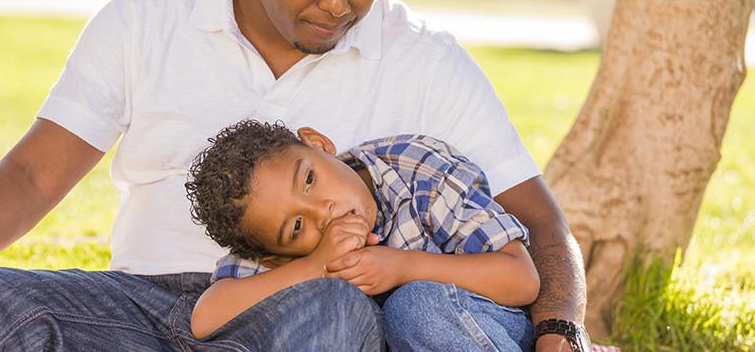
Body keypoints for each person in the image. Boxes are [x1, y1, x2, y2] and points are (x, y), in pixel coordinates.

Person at [0, 0, 587, 352]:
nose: (339, 4)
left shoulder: (423, 59)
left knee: (338, 312)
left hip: (302, 317)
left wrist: (560, 333)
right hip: (141, 310)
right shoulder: (149, 14)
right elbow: (29, 178)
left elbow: (540, 226)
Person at [186, 120, 540, 350]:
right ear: (275, 255)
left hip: (483, 327)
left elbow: (522, 279)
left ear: (319, 144)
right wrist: (316, 266)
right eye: (296, 228)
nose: (322, 211)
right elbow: (206, 319)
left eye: (309, 180)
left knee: (413, 305)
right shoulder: (277, 244)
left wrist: (403, 267)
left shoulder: (414, 169)